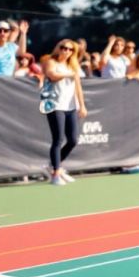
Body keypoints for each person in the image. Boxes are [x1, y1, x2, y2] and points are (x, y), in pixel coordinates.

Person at [42, 39, 88, 186]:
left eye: (70, 49)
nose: (66, 51)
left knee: (73, 140)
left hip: (71, 107)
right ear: (58, 48)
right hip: (55, 106)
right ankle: (56, 173)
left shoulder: (73, 65)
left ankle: (55, 165)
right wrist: (68, 75)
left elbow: (78, 87)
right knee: (58, 139)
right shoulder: (51, 61)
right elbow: (52, 76)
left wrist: (82, 105)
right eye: (63, 48)